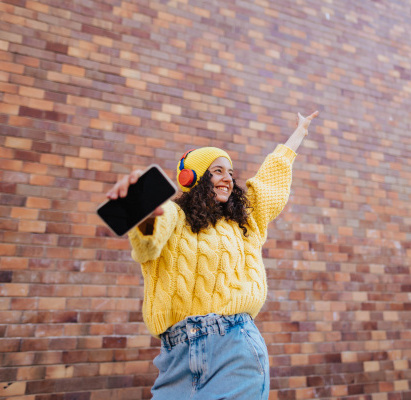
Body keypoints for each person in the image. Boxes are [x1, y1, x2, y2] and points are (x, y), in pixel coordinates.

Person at [105, 110, 319, 399]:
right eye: (218, 171)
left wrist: (299, 133)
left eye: (230, 173)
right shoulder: (173, 214)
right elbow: (147, 244)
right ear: (191, 177)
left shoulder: (245, 219)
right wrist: (141, 213)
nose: (228, 178)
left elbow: (271, 178)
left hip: (236, 351)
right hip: (175, 359)